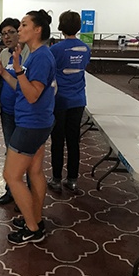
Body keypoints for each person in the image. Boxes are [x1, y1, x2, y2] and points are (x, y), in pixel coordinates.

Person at [0, 9, 56, 244]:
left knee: (11, 175)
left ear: (37, 30)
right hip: (37, 121)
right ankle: (36, 219)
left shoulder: (40, 57)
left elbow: (32, 95)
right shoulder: (37, 54)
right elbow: (21, 86)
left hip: (31, 123)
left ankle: (32, 228)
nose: (19, 29)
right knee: (34, 171)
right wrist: (5, 72)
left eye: (24, 25)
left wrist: (17, 68)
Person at [48, 10, 91, 194]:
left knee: (57, 140)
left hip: (59, 101)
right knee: (74, 140)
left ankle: (56, 179)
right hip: (78, 100)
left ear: (60, 26)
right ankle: (72, 179)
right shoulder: (85, 49)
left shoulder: (55, 50)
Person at [0, 17, 30, 206]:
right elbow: (3, 79)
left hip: (24, 113)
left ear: (19, 33)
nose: (7, 36)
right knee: (10, 152)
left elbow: (26, 86)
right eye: (3, 33)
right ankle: (11, 191)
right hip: (7, 112)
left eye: (11, 32)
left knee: (27, 156)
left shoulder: (29, 54)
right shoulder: (3, 54)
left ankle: (27, 195)